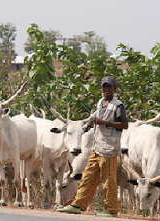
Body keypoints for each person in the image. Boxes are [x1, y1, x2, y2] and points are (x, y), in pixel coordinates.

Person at [57, 76, 128, 217]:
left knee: (108, 181)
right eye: (104, 86)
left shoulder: (118, 105)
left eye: (109, 86)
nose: (106, 89)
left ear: (114, 88)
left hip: (109, 150)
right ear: (101, 88)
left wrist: (105, 123)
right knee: (88, 177)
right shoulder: (100, 102)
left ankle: (112, 210)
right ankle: (77, 205)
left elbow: (124, 125)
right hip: (97, 147)